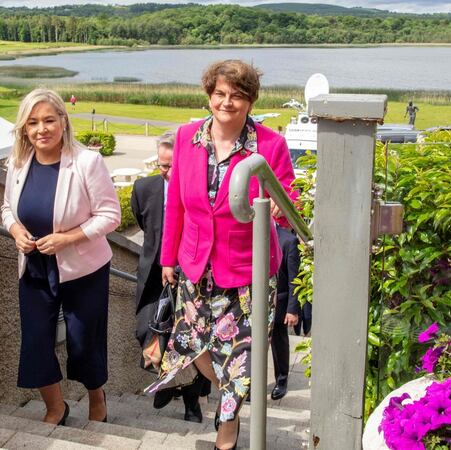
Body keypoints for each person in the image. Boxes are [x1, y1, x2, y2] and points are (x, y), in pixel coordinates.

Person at [146, 60, 297, 450]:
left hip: (249, 271)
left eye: (237, 95)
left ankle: (226, 434)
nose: (227, 102)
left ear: (250, 101)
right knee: (197, 350)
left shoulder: (270, 145)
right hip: (196, 267)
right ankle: (227, 393)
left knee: (243, 362)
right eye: (220, 94)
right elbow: (176, 205)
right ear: (209, 96)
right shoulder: (185, 138)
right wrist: (168, 259)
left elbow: (288, 197)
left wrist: (282, 206)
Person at [1, 88, 120, 426]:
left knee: (83, 343)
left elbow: (110, 215)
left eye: (49, 120)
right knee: (36, 342)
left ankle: (97, 398)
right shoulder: (19, 163)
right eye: (33, 123)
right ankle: (56, 407)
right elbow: (7, 208)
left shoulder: (87, 162)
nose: (42, 129)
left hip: (83, 269)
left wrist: (67, 239)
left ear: (63, 122)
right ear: (25, 129)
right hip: (35, 268)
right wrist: (15, 232)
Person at [130, 132, 208, 423]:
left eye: (172, 165)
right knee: (146, 331)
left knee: (189, 341)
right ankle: (167, 381)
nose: (167, 172)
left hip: (192, 275)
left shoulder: (199, 188)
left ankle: (192, 403)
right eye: (162, 166)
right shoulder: (143, 188)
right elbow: (143, 222)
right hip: (154, 278)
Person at [271, 224, 300, 400]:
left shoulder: (289, 240)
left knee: (279, 341)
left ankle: (281, 381)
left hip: (279, 301)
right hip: (251, 299)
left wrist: (292, 309)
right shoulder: (248, 235)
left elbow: (294, 280)